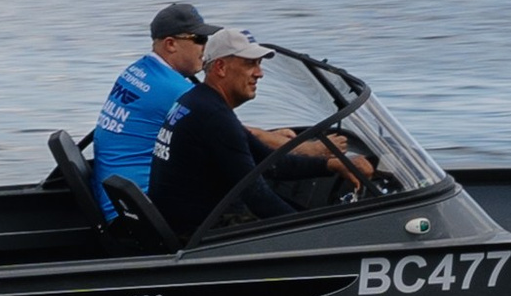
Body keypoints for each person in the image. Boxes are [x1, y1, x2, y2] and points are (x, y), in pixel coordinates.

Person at [148, 28, 370, 235]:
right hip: (200, 234)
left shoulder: (200, 101)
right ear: (221, 68)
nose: (259, 73)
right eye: (250, 64)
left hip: (187, 220)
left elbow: (269, 163)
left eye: (259, 64)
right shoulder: (213, 117)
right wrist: (315, 235)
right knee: (319, 226)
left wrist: (332, 165)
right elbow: (257, 197)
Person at [90, 2, 210, 217]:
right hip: (142, 213)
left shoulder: (137, 70)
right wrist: (276, 142)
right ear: (171, 44)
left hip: (118, 202)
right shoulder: (176, 90)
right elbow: (228, 131)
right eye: (199, 40)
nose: (205, 48)